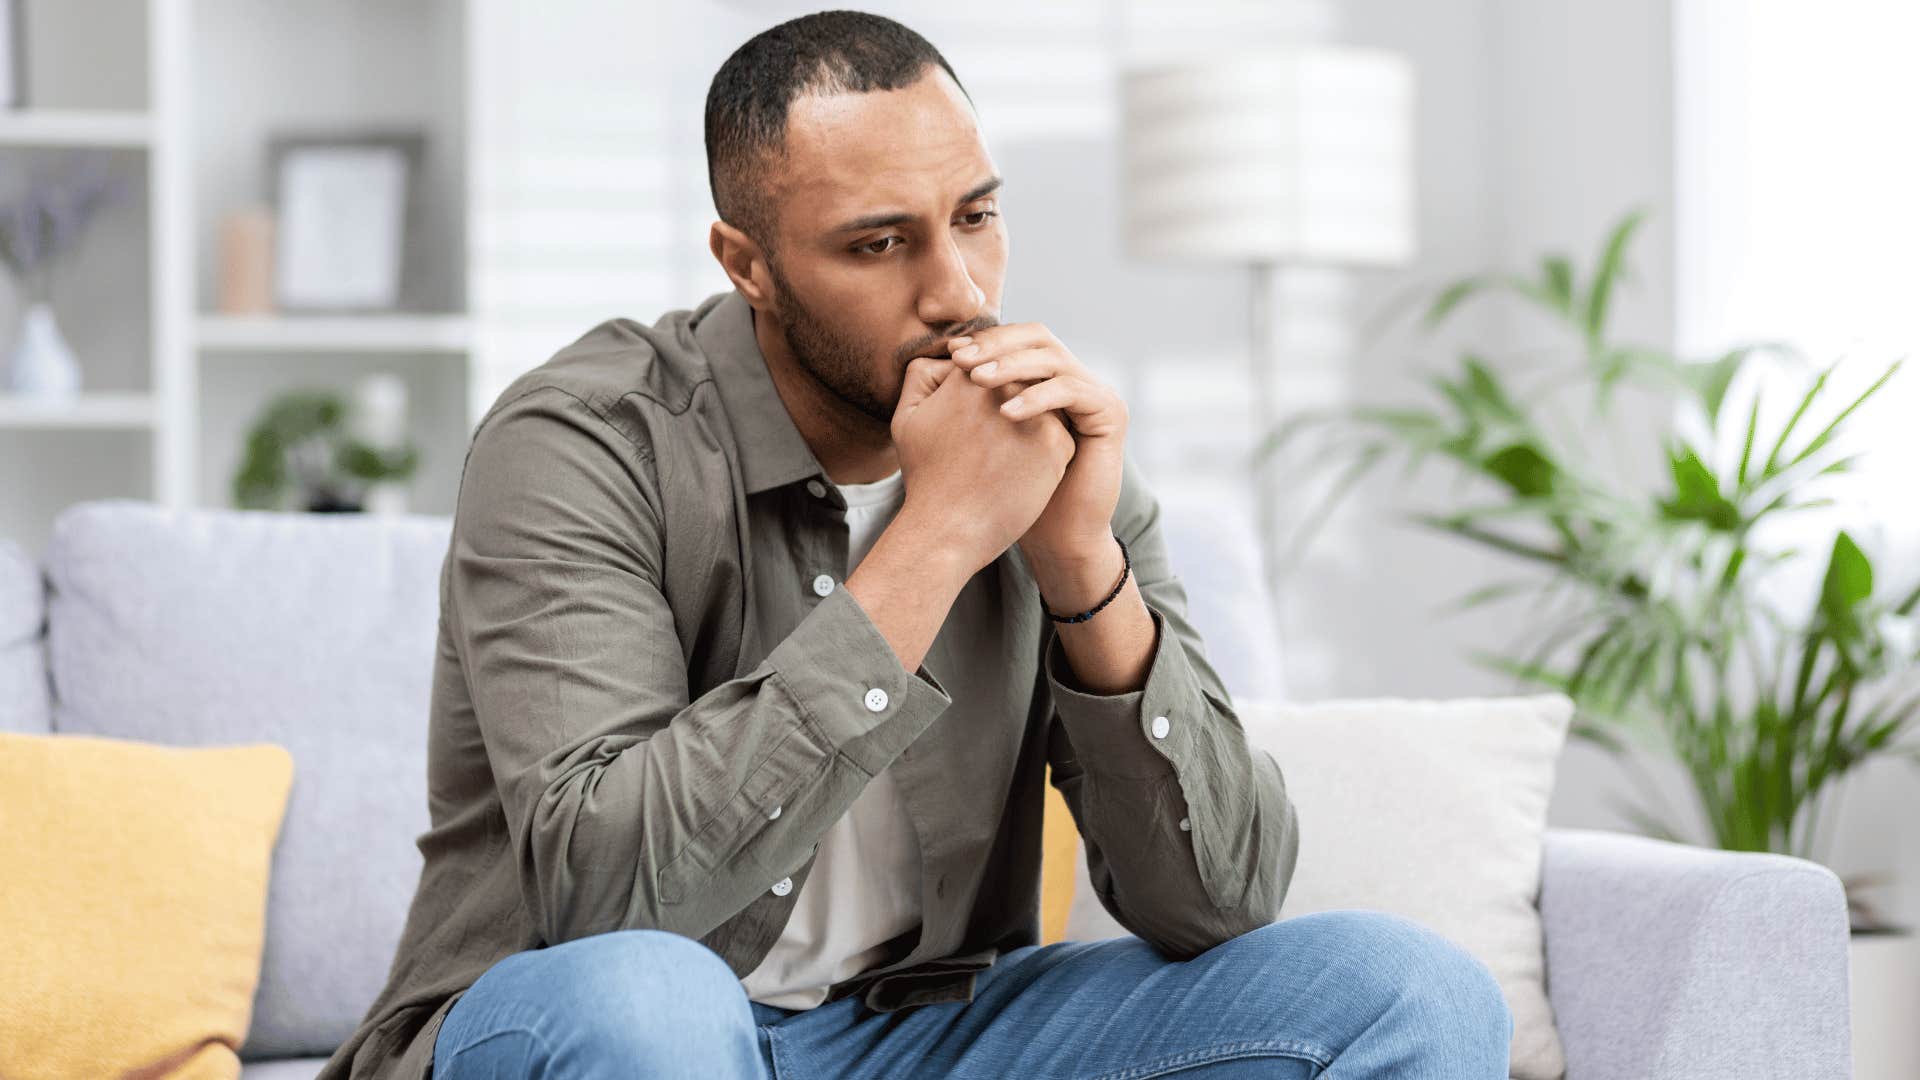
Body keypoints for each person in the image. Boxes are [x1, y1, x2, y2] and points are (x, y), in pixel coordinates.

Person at [316, 10, 1513, 1079]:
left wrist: (1082, 568)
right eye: (880, 244)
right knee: (654, 1001)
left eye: (977, 218)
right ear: (748, 266)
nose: (959, 291)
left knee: (1412, 994)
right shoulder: (584, 440)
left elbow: (1223, 906)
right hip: (597, 1021)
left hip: (932, 1030)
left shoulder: (1051, 453)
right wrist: (938, 535)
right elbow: (612, 896)